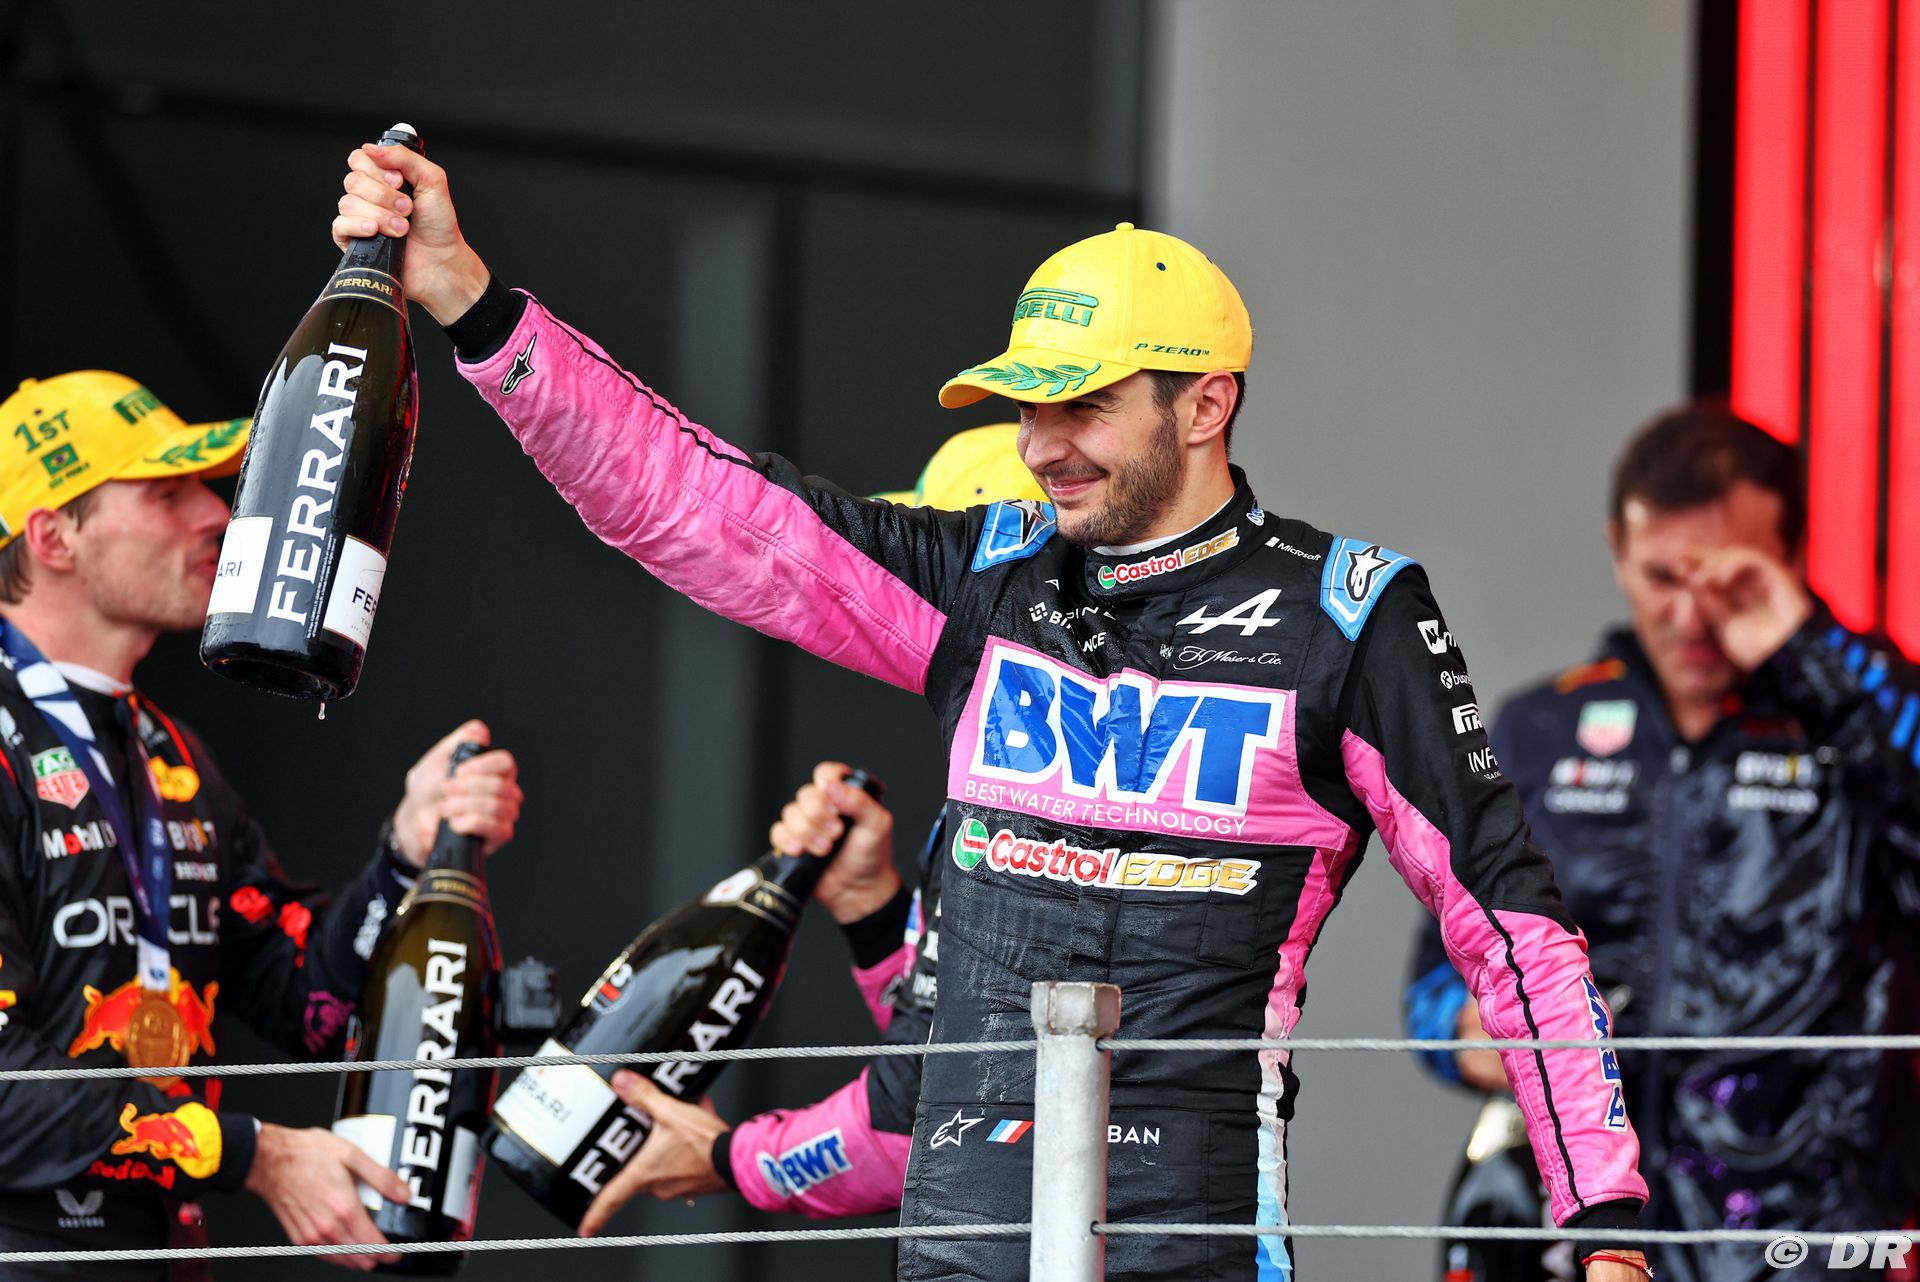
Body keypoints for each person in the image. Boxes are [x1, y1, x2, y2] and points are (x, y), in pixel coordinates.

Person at [331, 144, 1650, 1280]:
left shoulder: (1348, 616)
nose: (1040, 442)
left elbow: (1505, 916)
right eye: (1028, 401)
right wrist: (473, 305)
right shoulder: (985, 578)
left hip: (1188, 1245)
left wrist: (1604, 1225)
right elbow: (699, 505)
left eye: (1082, 403)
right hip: (958, 1243)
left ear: (1206, 403)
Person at [0, 371, 524, 1276]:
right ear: (53, 538)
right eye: (167, 493)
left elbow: (306, 1006)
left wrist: (405, 855)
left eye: (206, 489)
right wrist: (253, 1153)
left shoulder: (170, 754)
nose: (217, 514)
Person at [1405, 402, 1920, 1282]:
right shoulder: (1538, 730)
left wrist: (1809, 649)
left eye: (1727, 580)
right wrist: (1464, 1032)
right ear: (1618, 550)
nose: (1690, 615)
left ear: (1790, 559)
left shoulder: (1866, 716)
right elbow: (1436, 977)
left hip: (1811, 1239)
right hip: (1581, 1231)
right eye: (1661, 577)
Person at [573, 425, 1043, 1230]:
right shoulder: (1020, 770)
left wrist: (731, 1158)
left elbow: (926, 1119)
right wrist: (869, 907)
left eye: (927, 571)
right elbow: (961, 1038)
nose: (894, 594)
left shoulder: (1050, 806)